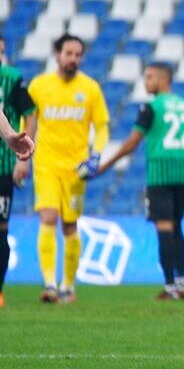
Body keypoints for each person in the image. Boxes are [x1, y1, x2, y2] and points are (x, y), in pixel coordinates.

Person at [96, 62, 184, 301]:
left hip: (160, 175)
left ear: (162, 79)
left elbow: (132, 143)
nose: (146, 82)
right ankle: (181, 281)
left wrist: (105, 165)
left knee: (164, 228)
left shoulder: (151, 107)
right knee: (177, 226)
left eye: (149, 78)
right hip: (182, 173)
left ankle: (169, 287)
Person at [25, 34, 109, 304]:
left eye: (78, 54)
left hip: (76, 168)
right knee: (48, 217)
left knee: (70, 225)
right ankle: (49, 284)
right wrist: (22, 157)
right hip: (46, 163)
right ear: (57, 54)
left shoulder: (91, 88)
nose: (73, 59)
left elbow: (102, 126)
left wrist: (95, 155)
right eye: (69, 53)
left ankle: (68, 287)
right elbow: (29, 122)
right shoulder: (39, 86)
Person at [0, 36, 37, 308]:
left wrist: (11, 135)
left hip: (2, 166)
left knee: (1, 231)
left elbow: (30, 113)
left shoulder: (12, 78)